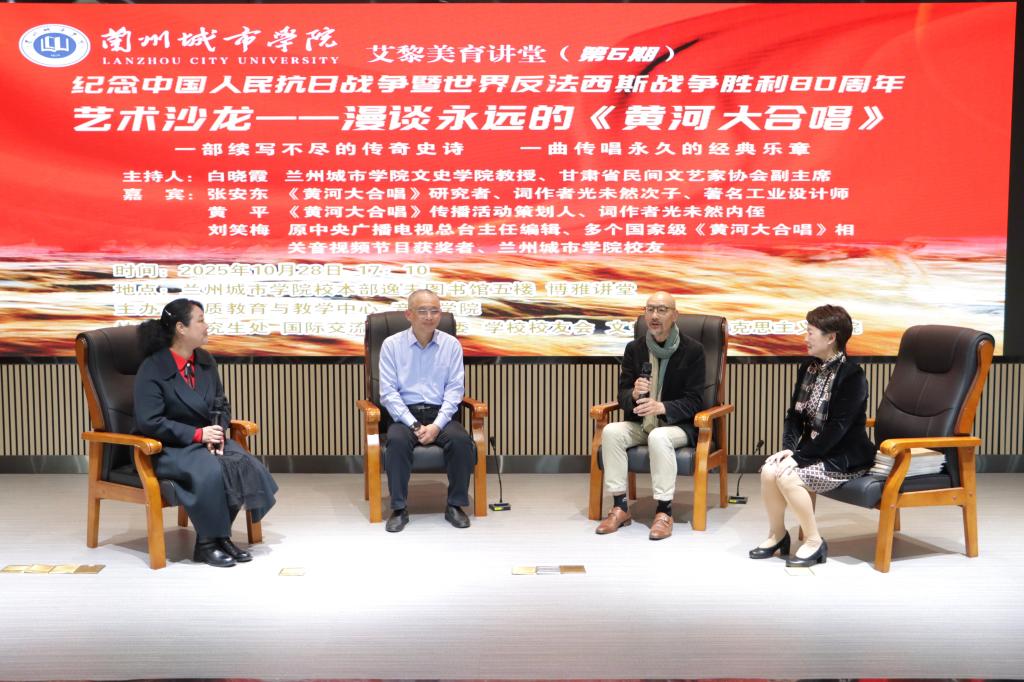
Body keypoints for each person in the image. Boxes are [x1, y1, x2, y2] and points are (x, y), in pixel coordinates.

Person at [134, 298, 278, 567]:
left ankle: (219, 537)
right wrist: (198, 435)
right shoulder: (153, 367)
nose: (206, 325)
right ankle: (207, 543)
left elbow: (220, 404)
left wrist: (219, 431)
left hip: (206, 441)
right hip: (169, 446)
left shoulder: (205, 360)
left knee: (243, 463)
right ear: (181, 328)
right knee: (212, 470)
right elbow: (149, 421)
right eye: (200, 320)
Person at [749, 304, 875, 567]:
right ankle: (777, 535)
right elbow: (794, 415)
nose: (805, 338)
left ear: (831, 338)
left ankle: (814, 542)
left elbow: (838, 429)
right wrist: (788, 449)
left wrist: (799, 458)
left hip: (843, 456)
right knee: (770, 470)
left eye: (810, 332)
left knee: (788, 476)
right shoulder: (808, 367)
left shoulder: (852, 375)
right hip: (815, 451)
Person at [596, 292, 706, 540]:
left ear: (675, 315)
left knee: (658, 436)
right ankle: (620, 507)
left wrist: (662, 407)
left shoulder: (693, 350)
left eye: (662, 310)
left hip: (677, 425)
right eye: (650, 309)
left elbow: (695, 401)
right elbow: (622, 395)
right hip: (641, 423)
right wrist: (634, 394)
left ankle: (664, 511)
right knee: (611, 431)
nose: (655, 316)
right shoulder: (634, 349)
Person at [378, 289, 475, 533]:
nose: (429, 316)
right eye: (422, 311)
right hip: (404, 415)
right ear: (409, 314)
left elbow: (455, 390)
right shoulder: (392, 345)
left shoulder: (451, 345)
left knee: (461, 441)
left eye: (435, 311)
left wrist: (436, 426)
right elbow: (388, 393)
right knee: (397, 442)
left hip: (440, 413)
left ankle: (455, 505)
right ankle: (399, 508)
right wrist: (414, 425)